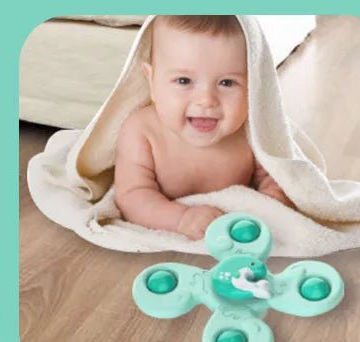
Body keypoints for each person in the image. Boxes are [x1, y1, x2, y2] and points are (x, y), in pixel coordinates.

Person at [115, 15, 293, 240]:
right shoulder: (141, 131)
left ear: (253, 84)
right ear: (152, 82)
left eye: (226, 83)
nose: (206, 100)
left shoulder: (251, 131)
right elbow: (132, 195)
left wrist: (269, 208)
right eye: (184, 81)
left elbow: (276, 178)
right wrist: (180, 219)